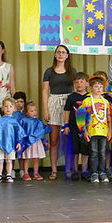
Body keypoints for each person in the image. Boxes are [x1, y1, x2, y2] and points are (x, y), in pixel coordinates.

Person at [41, 44, 74, 179]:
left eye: (63, 52)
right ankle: (54, 170)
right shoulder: (49, 71)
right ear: (55, 55)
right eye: (58, 52)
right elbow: (45, 91)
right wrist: (45, 109)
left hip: (68, 102)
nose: (60, 54)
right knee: (54, 139)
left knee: (69, 138)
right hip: (54, 102)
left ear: (67, 55)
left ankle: (69, 169)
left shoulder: (72, 71)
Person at [76, 75, 112, 183]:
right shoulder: (87, 101)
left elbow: (109, 118)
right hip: (92, 131)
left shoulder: (106, 102)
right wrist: (84, 131)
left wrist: (110, 130)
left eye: (101, 87)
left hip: (103, 131)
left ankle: (102, 172)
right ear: (91, 88)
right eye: (96, 86)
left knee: (102, 152)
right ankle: (93, 173)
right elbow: (81, 118)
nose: (98, 89)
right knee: (93, 152)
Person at [0, 97, 22, 183]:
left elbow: (19, 133)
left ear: (14, 109)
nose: (8, 108)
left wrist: (19, 142)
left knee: (9, 160)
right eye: (6, 106)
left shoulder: (15, 121)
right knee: (0, 160)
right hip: (0, 144)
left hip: (11, 144)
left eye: (10, 106)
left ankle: (9, 174)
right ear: (2, 108)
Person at [18, 101, 48, 180]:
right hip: (28, 142)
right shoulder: (23, 121)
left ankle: (36, 172)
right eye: (31, 111)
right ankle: (26, 173)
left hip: (36, 142)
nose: (34, 112)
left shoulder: (38, 121)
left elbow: (41, 132)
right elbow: (21, 132)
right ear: (26, 113)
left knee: (36, 158)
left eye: (35, 110)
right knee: (26, 158)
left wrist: (45, 141)